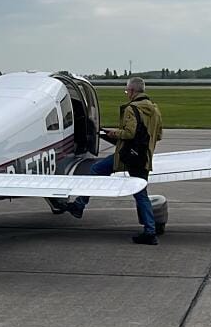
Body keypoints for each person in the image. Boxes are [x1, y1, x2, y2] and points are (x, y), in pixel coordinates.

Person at [65, 77, 164, 245]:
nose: (127, 94)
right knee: (141, 194)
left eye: (127, 91)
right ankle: (150, 231)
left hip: (128, 156)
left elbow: (129, 133)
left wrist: (113, 134)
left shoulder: (131, 109)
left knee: (96, 170)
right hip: (144, 157)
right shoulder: (155, 110)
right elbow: (159, 135)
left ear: (132, 91)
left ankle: (80, 204)